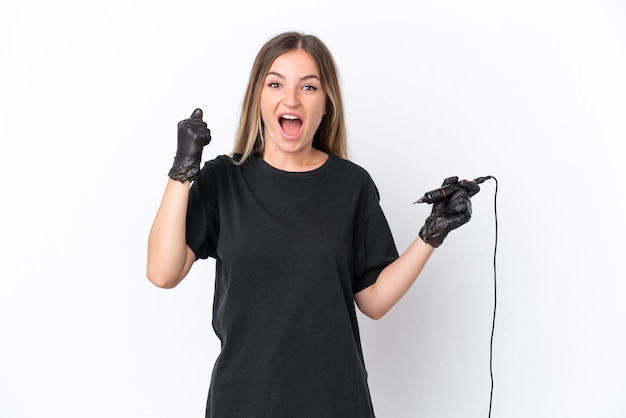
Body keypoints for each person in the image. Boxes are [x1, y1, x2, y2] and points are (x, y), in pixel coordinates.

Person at [147, 31, 478, 418]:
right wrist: (183, 170)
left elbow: (372, 300)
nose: (291, 99)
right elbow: (162, 272)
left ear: (326, 105)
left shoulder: (351, 185)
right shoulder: (224, 178)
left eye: (308, 86)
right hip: (243, 402)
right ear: (258, 98)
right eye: (275, 84)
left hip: (336, 402)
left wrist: (431, 233)